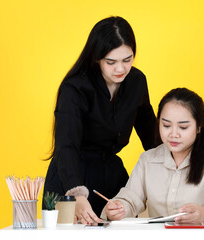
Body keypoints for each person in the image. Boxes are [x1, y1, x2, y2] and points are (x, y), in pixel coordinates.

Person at [43, 16, 160, 224]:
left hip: (112, 177)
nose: (120, 69)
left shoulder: (136, 81)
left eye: (127, 59)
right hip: (71, 178)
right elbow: (66, 146)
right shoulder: (75, 87)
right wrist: (77, 195)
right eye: (111, 62)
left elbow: (152, 136)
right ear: (96, 58)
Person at [102, 88, 204, 224]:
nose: (173, 134)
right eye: (166, 125)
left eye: (183, 127)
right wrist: (119, 209)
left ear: (199, 126)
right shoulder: (148, 159)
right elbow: (130, 198)